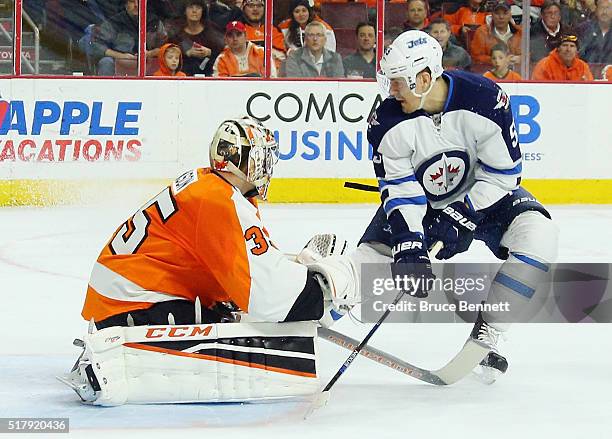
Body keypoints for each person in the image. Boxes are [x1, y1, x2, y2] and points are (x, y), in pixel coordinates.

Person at [61, 116, 360, 405]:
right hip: (134, 304)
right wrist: (324, 291)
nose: (265, 168)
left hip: (122, 298)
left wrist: (294, 271)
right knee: (278, 309)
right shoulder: (219, 200)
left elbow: (236, 266)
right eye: (260, 159)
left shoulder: (210, 186)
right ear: (237, 161)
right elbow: (270, 296)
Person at [358, 30, 558, 380]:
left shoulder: (485, 99)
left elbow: (503, 174)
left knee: (540, 236)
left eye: (397, 81)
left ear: (423, 77)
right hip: (425, 203)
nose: (390, 90)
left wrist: (462, 214)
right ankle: (311, 309)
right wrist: (409, 245)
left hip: (486, 197)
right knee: (365, 264)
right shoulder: (386, 122)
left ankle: (487, 335)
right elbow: (400, 189)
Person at [91, 0, 166, 76]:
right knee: (105, 62)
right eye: (132, 1)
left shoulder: (154, 22)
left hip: (149, 64)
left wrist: (151, 53)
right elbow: (97, 44)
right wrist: (121, 56)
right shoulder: (115, 22)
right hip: (119, 63)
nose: (136, 5)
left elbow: (167, 46)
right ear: (125, 4)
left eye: (140, 2)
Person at [164, 0, 225, 76]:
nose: (194, 11)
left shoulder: (212, 30)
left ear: (203, 11)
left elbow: (224, 53)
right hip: (181, 77)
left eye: (198, 8)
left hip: (208, 76)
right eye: (190, 7)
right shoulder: (177, 32)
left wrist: (210, 53)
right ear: (184, 11)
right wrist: (186, 53)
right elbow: (165, 53)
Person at [469, 0, 522, 66]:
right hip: (490, 72)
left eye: (505, 13)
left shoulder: (520, 32)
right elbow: (476, 57)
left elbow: (527, 54)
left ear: (510, 15)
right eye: (497, 13)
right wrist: (498, 60)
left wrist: (521, 59)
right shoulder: (481, 32)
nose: (501, 17)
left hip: (515, 72)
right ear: (492, 15)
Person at [241, 0, 286, 69]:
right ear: (243, 8)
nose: (255, 9)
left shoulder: (273, 30)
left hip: (271, 75)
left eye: (259, 6)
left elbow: (281, 60)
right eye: (251, 5)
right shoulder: (237, 31)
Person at [577, 0, 611, 64]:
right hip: (587, 71)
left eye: (608, 8)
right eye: (601, 7)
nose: (604, 12)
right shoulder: (583, 29)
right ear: (596, 10)